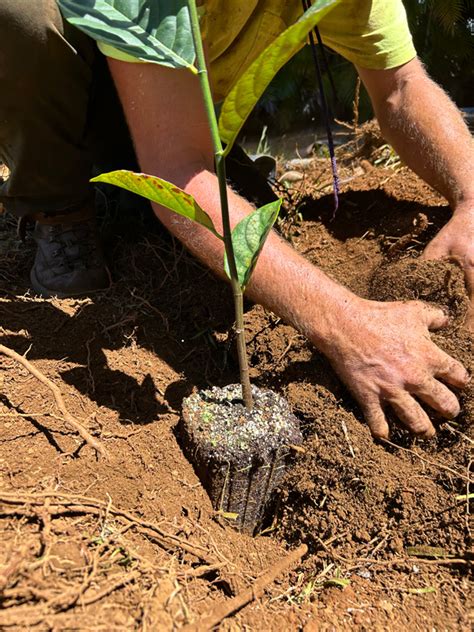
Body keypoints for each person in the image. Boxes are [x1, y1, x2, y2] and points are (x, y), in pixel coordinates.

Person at [0, 1, 472, 440]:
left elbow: (402, 86)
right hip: (80, 89)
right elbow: (178, 173)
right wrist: (344, 323)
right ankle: (59, 207)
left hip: (178, 111)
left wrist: (471, 197)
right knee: (20, 13)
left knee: (252, 237)